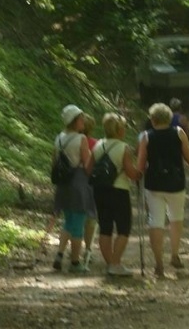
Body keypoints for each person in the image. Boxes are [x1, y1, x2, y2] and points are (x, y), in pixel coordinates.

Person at [137, 102, 189, 278]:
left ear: (153, 120)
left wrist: (136, 175)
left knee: (155, 221)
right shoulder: (179, 133)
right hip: (176, 182)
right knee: (176, 218)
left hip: (154, 184)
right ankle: (174, 255)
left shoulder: (146, 137)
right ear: (168, 118)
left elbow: (140, 165)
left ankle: (159, 264)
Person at [91, 112, 141, 276]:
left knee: (105, 227)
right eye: (123, 127)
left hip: (100, 190)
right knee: (123, 228)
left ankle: (111, 263)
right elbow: (131, 173)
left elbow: (89, 169)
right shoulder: (123, 147)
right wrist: (139, 173)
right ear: (119, 130)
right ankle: (115, 263)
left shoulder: (98, 145)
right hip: (119, 190)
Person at [52, 104, 93, 273]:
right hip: (78, 184)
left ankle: (60, 254)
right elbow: (88, 164)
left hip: (63, 184)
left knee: (68, 221)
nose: (83, 121)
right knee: (78, 223)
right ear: (75, 121)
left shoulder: (59, 138)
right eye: (81, 119)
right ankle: (75, 262)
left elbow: (54, 162)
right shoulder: (81, 139)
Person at [80, 114, 98, 264]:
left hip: (73, 183)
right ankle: (87, 249)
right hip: (91, 183)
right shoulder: (95, 144)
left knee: (75, 217)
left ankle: (74, 248)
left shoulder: (70, 141)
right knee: (91, 219)